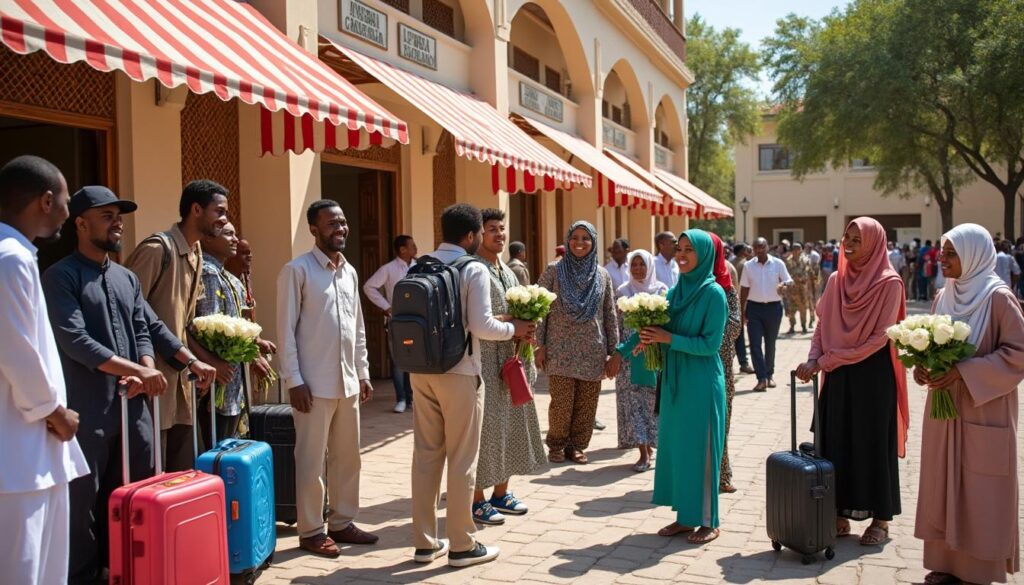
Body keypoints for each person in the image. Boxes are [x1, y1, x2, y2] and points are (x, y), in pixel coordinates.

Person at [42, 187, 209, 583]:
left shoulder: (125, 278)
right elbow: (75, 340)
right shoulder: (59, 277)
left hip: (134, 410)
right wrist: (134, 371)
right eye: (107, 216)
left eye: (120, 215)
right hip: (88, 411)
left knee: (133, 496)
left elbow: (146, 327)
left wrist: (167, 364)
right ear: (81, 224)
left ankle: (129, 571)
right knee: (84, 502)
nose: (118, 223)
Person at [408, 203, 534, 568]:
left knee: (426, 457)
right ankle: (462, 544)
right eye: (481, 231)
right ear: (470, 235)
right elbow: (482, 326)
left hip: (422, 371)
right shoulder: (472, 268)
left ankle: (425, 543)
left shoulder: (422, 264)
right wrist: (516, 329)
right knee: (463, 459)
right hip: (460, 372)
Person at [913, 223, 1023, 585]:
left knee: (980, 489)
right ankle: (944, 564)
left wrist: (964, 372)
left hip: (983, 409)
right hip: (944, 411)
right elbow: (929, 344)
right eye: (942, 252)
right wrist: (925, 370)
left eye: (950, 253)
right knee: (941, 482)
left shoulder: (998, 297)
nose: (941, 259)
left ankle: (977, 570)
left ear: (973, 255)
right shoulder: (944, 295)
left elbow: (1019, 353)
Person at [0, 155, 88, 585]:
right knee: (25, 571)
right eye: (67, 202)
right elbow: (16, 352)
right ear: (46, 200)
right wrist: (55, 412)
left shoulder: (18, 255)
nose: (69, 214)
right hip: (19, 454)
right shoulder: (9, 258)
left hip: (35, 449)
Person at [796, 217, 908, 547]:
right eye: (847, 237)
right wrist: (814, 358)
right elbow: (821, 325)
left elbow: (878, 340)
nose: (850, 244)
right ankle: (838, 512)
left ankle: (881, 519)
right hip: (839, 376)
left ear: (874, 243)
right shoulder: (836, 280)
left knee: (873, 444)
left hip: (872, 378)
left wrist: (825, 361)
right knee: (835, 442)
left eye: (858, 239)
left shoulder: (890, 284)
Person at [277, 200, 377, 557]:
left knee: (348, 458)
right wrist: (294, 380)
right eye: (332, 223)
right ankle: (311, 529)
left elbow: (357, 329)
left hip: (348, 383)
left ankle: (342, 521)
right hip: (312, 386)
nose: (341, 228)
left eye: (344, 221)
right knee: (311, 459)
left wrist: (363, 372)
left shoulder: (348, 272)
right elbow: (286, 331)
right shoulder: (297, 270)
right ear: (314, 229)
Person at [124, 180, 228, 471]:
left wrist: (200, 362)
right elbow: (129, 309)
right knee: (150, 472)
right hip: (153, 384)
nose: (224, 220)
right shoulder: (158, 249)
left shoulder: (195, 255)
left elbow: (184, 325)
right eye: (218, 212)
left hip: (183, 385)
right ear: (196, 210)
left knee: (182, 474)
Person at [639, 229, 727, 545]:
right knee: (679, 451)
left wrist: (668, 339)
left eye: (690, 250)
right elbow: (662, 329)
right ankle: (685, 517)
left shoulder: (713, 294)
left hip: (701, 383)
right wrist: (647, 339)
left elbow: (710, 345)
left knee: (701, 451)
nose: (682, 255)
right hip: (675, 380)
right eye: (680, 249)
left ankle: (708, 521)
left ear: (704, 256)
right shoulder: (676, 292)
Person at [471, 209, 546, 526]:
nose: (499, 235)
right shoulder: (475, 270)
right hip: (486, 359)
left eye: (502, 229)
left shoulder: (510, 272)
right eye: (492, 229)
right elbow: (476, 318)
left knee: (513, 424)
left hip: (514, 359)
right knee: (485, 429)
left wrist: (529, 326)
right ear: (478, 234)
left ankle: (501, 493)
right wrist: (512, 323)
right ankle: (476, 500)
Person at [536, 221, 619, 465]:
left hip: (593, 349)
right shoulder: (554, 270)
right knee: (561, 403)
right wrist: (539, 345)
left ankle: (578, 446)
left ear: (594, 242)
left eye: (586, 238)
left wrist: (614, 353)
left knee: (587, 404)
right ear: (567, 240)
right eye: (575, 237)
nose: (579, 243)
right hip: (560, 349)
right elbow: (540, 309)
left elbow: (610, 315)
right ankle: (557, 446)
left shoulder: (602, 275)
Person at [194, 221, 273, 444]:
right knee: (216, 448)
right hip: (217, 385)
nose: (235, 240)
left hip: (233, 386)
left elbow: (238, 322)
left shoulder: (228, 277)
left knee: (232, 448)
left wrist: (255, 343)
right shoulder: (208, 274)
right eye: (228, 234)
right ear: (208, 239)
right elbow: (209, 326)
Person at [606, 250, 666, 473]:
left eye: (642, 264)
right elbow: (616, 325)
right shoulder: (622, 292)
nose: (638, 268)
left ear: (650, 266)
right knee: (634, 406)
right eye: (634, 264)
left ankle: (652, 446)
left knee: (653, 405)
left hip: (654, 356)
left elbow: (664, 325)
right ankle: (642, 452)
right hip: (629, 358)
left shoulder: (661, 291)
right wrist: (616, 354)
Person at [363, 234, 418, 413]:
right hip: (396, 322)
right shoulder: (389, 269)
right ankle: (401, 398)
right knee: (398, 360)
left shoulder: (419, 266)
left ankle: (413, 399)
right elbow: (369, 286)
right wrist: (387, 307)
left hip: (417, 321)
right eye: (412, 245)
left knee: (416, 359)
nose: (415, 248)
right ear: (402, 249)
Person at [740, 237, 793, 392]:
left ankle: (769, 375)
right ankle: (761, 378)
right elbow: (744, 288)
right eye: (756, 247)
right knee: (755, 345)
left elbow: (789, 281)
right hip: (754, 309)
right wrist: (742, 311)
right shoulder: (749, 266)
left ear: (767, 247)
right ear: (753, 249)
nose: (759, 250)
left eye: (762, 246)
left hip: (773, 308)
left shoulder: (778, 264)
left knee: (770, 344)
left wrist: (783, 285)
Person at [711, 235, 742, 493]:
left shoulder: (726, 287)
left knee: (721, 420)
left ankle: (721, 474)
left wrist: (705, 330)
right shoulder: (683, 286)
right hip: (689, 365)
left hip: (719, 365)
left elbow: (734, 327)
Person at [731, 244, 754, 375]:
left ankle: (739, 363)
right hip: (740, 302)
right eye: (747, 250)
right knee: (739, 335)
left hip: (733, 302)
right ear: (742, 252)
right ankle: (743, 363)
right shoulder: (745, 264)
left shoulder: (730, 262)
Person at [784, 243, 815, 335]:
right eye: (794, 249)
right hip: (791, 288)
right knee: (791, 308)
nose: (796, 251)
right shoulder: (788, 261)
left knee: (803, 308)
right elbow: (785, 273)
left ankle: (803, 326)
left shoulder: (806, 260)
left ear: (801, 250)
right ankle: (792, 326)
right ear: (792, 250)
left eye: (798, 249)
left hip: (802, 288)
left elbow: (809, 273)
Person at [224, 238, 256, 319]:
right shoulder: (223, 280)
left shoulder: (245, 279)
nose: (250, 256)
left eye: (250, 252)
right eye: (244, 253)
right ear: (231, 256)